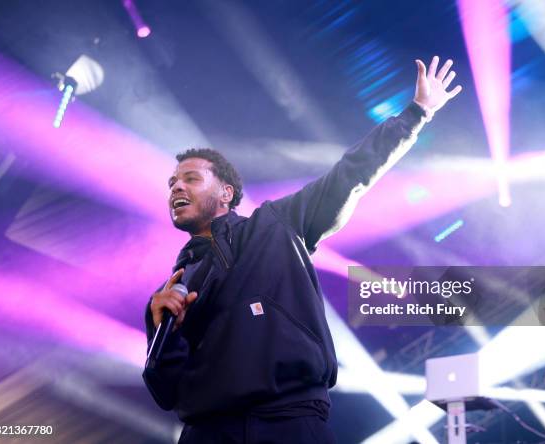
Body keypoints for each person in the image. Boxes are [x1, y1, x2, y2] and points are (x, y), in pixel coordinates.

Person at [143, 56, 462, 443]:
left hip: (289, 422)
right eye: (172, 182)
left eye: (190, 178)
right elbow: (166, 391)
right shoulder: (176, 285)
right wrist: (159, 328)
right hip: (207, 432)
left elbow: (350, 174)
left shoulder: (275, 225)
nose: (176, 187)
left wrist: (416, 114)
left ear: (226, 193)